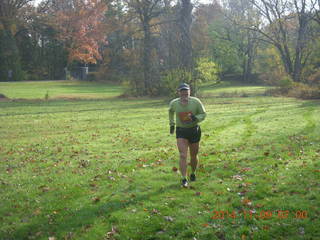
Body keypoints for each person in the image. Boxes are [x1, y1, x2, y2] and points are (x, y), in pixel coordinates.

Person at [169, 83, 207, 187]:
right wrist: (172, 124)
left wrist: (196, 118)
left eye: (186, 91)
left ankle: (193, 173)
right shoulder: (174, 103)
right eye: (182, 91)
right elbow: (170, 112)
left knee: (193, 155)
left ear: (189, 92)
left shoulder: (196, 102)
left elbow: (203, 114)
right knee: (183, 155)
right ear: (179, 92)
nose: (184, 93)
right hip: (181, 131)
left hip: (194, 130)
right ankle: (184, 178)